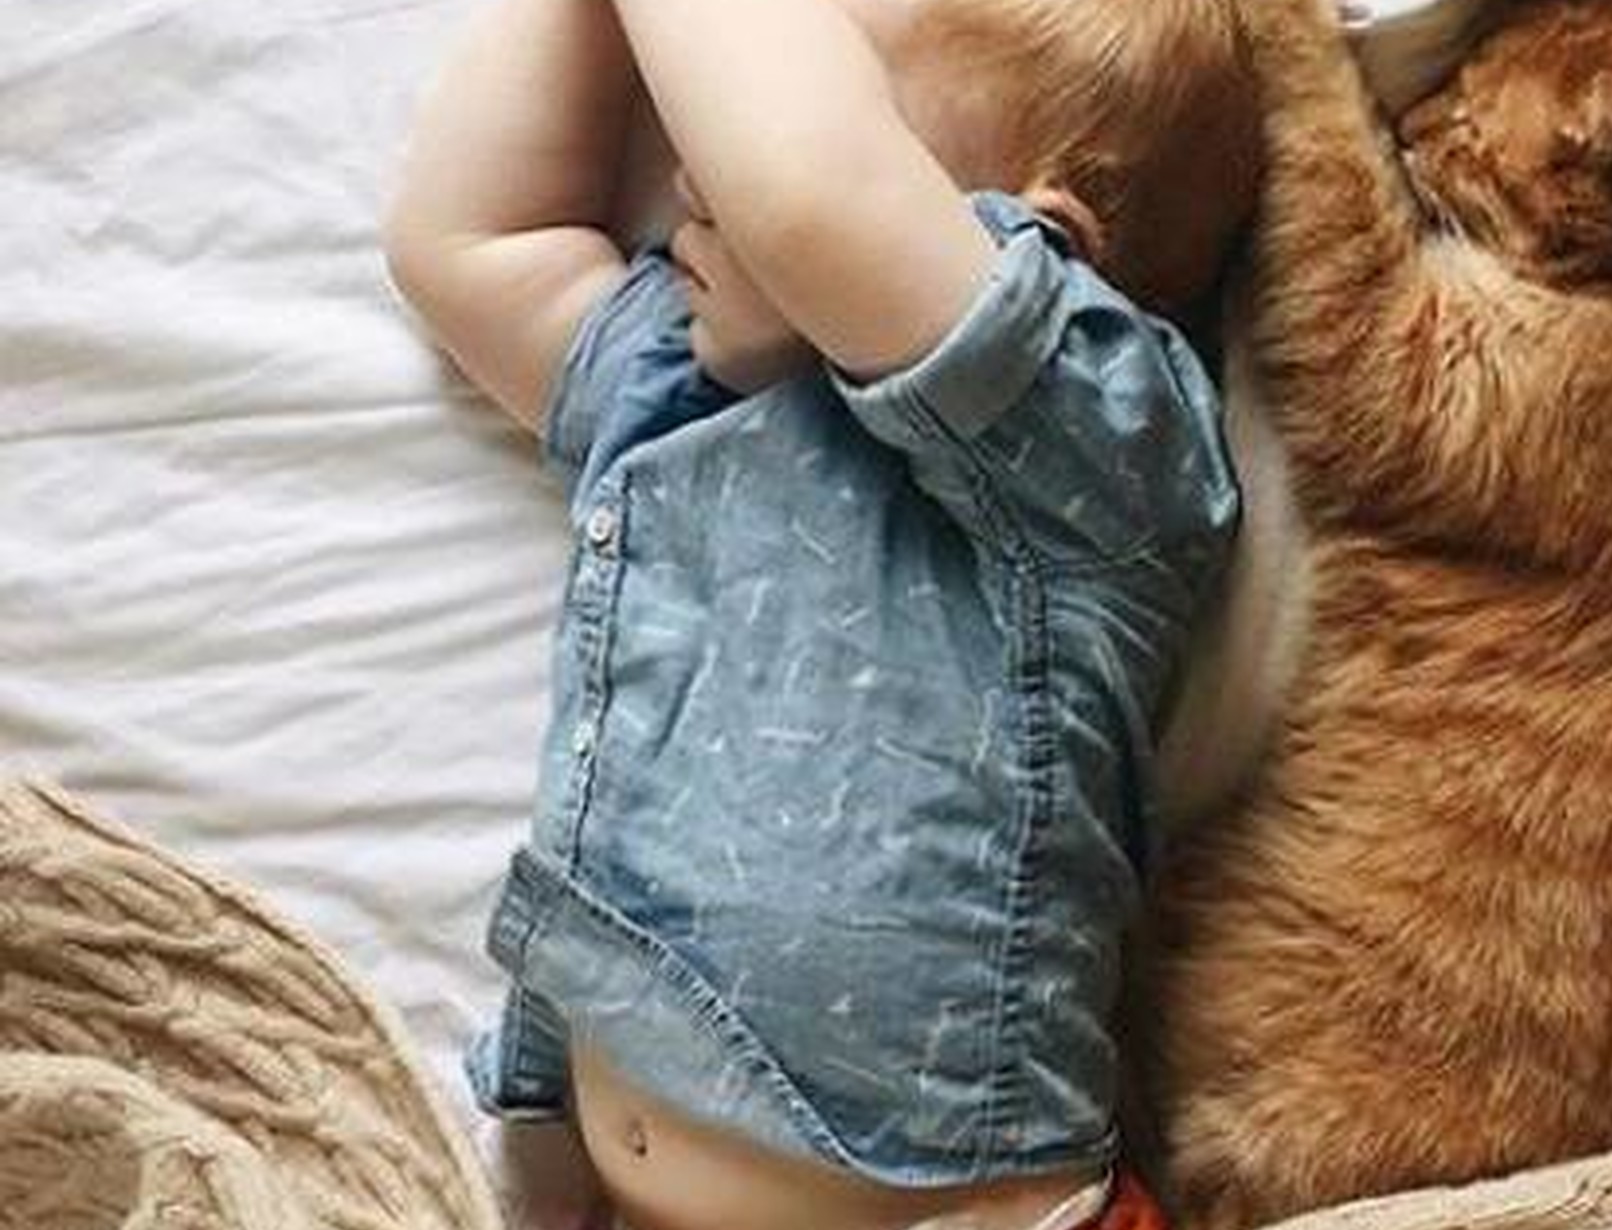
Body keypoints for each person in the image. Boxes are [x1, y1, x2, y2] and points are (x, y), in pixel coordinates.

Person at [380, 0, 1261, 1225]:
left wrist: (788, 181)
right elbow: (468, 245)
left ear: (1047, 242)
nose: (702, 158)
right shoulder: (688, 388)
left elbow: (806, 193)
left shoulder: (1095, 432)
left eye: (810, 63)